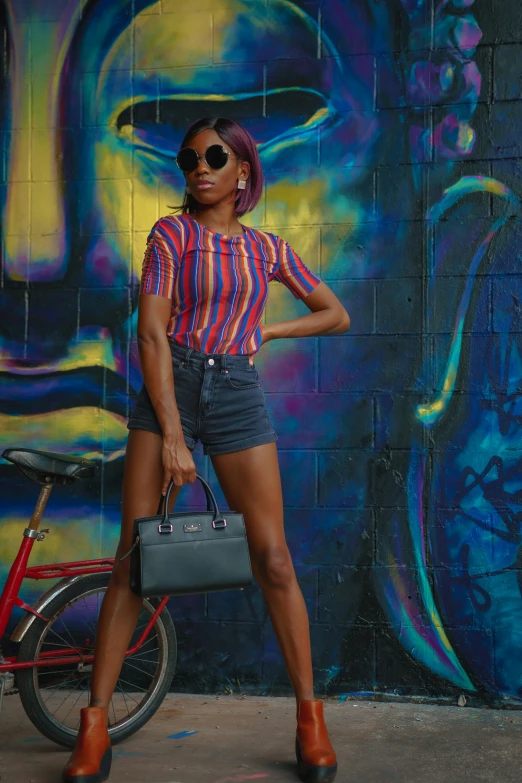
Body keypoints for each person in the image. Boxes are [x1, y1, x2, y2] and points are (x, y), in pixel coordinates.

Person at [63, 116, 350, 783]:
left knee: (274, 556)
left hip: (237, 392)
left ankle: (310, 718)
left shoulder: (267, 250)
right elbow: (153, 335)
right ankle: (94, 724)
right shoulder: (173, 234)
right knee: (134, 560)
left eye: (214, 156)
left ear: (243, 169)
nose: (199, 166)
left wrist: (269, 329)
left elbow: (334, 311)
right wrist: (170, 433)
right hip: (174, 384)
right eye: (189, 157)